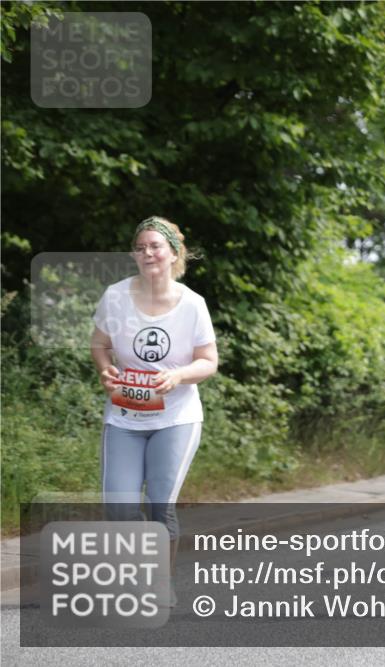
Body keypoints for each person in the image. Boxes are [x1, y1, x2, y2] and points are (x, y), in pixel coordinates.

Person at [90, 216, 218, 607]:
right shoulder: (116, 296)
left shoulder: (192, 304)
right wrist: (105, 371)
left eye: (155, 246)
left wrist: (178, 375)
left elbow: (208, 361)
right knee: (120, 509)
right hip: (125, 417)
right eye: (141, 247)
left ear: (173, 253)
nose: (147, 253)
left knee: (160, 506)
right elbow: (99, 345)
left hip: (176, 420)